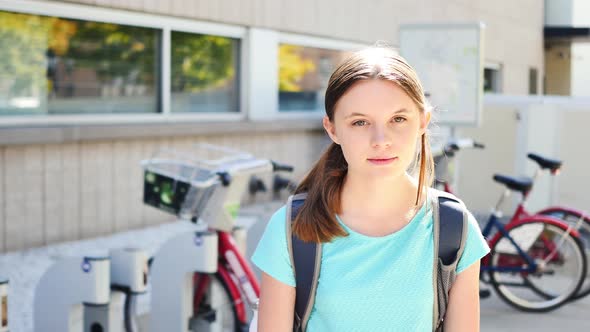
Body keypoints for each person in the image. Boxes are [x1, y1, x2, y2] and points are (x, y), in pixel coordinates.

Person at [251, 46, 490, 331]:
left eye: (398, 119)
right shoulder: (293, 228)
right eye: (360, 122)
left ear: (423, 122)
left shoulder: (453, 228)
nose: (380, 139)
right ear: (332, 129)